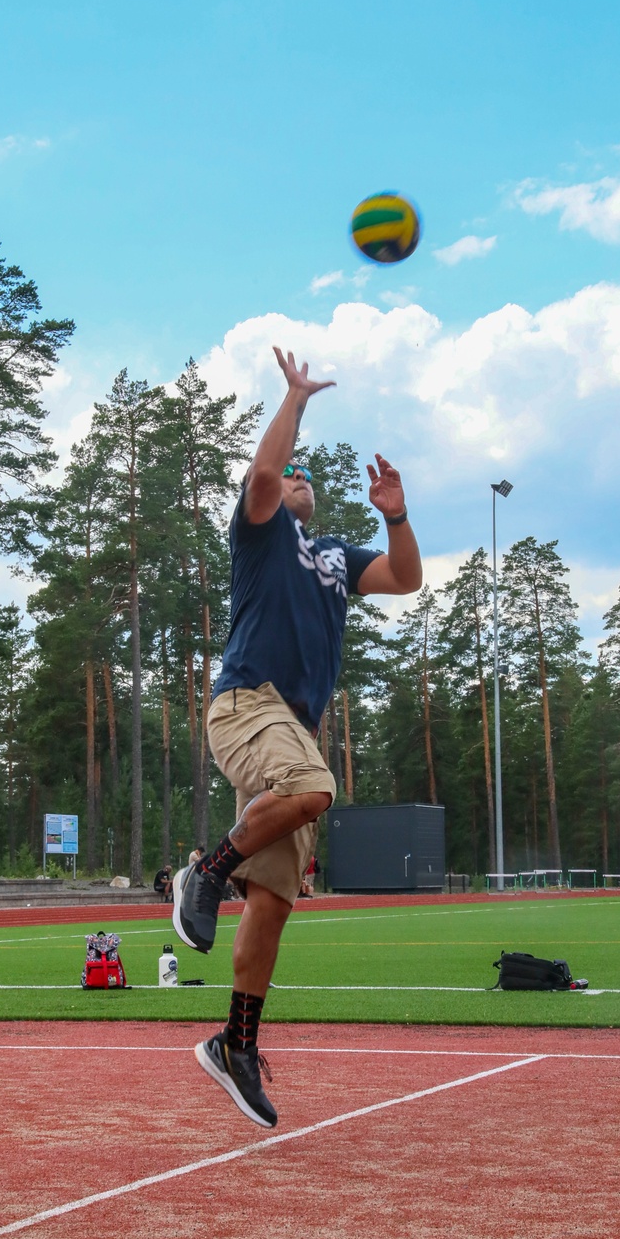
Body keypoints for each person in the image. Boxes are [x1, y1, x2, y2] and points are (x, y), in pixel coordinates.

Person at [173, 346, 421, 1127]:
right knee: (315, 790)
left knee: (274, 900)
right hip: (250, 704)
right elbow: (259, 478)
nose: (298, 476)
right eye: (292, 472)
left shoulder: (333, 558)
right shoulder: (261, 534)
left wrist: (396, 516)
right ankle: (204, 874)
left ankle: (234, 1044)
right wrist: (295, 400)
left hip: (292, 726)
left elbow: (406, 579)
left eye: (307, 473)